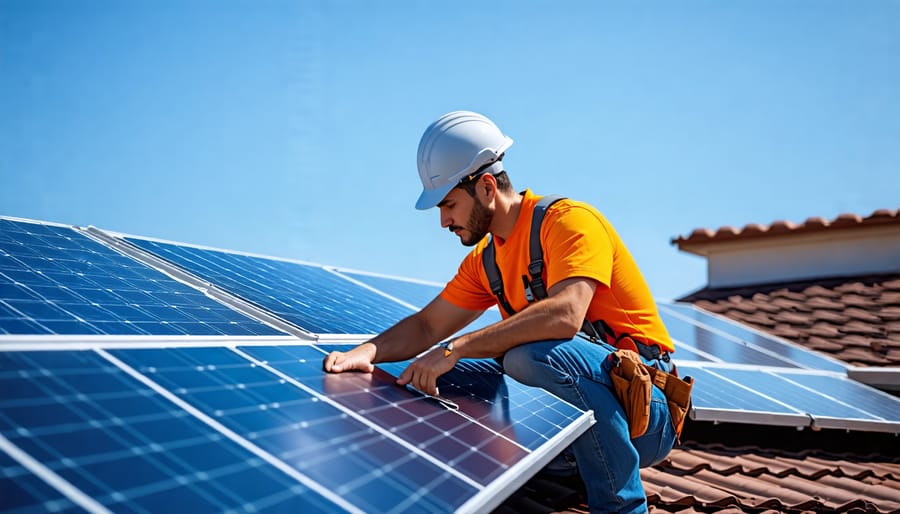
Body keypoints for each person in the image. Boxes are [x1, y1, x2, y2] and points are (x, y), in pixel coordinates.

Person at [324, 110, 677, 513]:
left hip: (646, 408)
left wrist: (456, 346)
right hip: (581, 410)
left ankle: (623, 507)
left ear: (487, 187)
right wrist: (367, 352)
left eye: (449, 205)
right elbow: (426, 325)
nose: (443, 221)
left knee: (526, 356)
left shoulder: (569, 223)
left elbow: (566, 314)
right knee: (438, 374)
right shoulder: (486, 261)